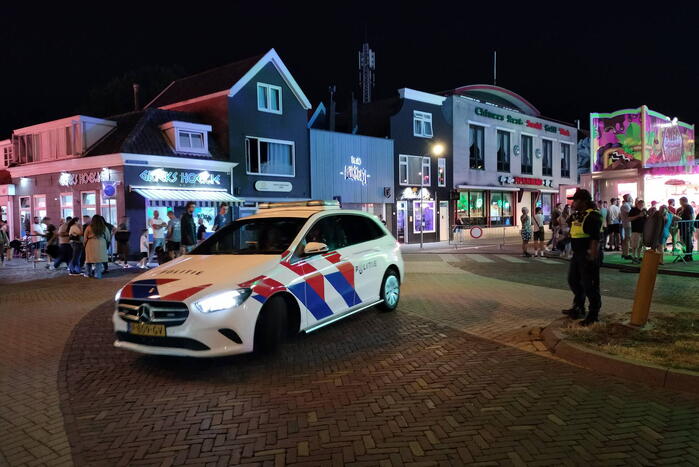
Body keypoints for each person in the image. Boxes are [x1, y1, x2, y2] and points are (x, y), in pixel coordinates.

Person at [562, 189, 602, 326]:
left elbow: (596, 238)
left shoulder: (593, 216)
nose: (573, 203)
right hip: (577, 254)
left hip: (588, 254)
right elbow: (573, 229)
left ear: (583, 202)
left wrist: (592, 254)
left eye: (575, 201)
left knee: (590, 285)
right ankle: (578, 307)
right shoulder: (579, 215)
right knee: (573, 280)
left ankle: (593, 315)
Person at [628, 199, 647, 264]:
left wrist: (646, 216)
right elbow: (629, 219)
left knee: (640, 245)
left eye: (643, 205)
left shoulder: (644, 210)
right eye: (641, 204)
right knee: (635, 245)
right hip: (635, 230)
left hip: (643, 231)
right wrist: (638, 216)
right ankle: (634, 258)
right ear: (637, 204)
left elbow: (646, 219)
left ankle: (638, 257)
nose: (642, 206)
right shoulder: (633, 210)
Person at [677, 197, 695, 261]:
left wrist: (690, 226)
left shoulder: (688, 207)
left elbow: (691, 217)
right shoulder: (683, 208)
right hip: (684, 226)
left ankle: (688, 256)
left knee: (688, 241)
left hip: (687, 226)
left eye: (680, 201)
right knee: (686, 241)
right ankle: (688, 255)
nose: (680, 203)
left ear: (683, 201)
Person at [619, 194, 633, 259]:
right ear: (627, 198)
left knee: (626, 239)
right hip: (628, 224)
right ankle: (626, 254)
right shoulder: (626, 205)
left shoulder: (625, 205)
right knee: (627, 239)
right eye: (630, 197)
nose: (631, 198)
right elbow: (631, 214)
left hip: (626, 224)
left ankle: (624, 253)